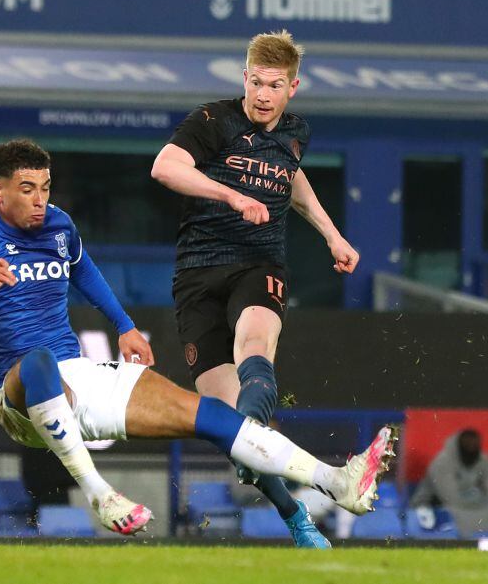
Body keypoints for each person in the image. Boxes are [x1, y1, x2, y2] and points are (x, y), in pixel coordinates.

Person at [0, 138, 393, 537]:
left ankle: (336, 481)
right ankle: (101, 495)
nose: (39, 200)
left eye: (45, 187)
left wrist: (124, 325)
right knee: (40, 360)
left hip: (79, 377)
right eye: (27, 190)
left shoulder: (58, 226)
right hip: (17, 394)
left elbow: (84, 272)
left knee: (207, 414)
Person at [150, 30, 359, 548]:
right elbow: (165, 167)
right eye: (257, 82)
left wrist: (332, 234)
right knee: (225, 418)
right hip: (197, 275)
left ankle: (252, 450)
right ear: (244, 78)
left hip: (258, 264)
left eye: (276, 85)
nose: (263, 95)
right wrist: (230, 195)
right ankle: (296, 516)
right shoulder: (213, 120)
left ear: (294, 87)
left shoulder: (295, 133)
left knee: (256, 349)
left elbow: (291, 178)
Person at [409, 429, 488, 537]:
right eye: (468, 444)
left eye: (474, 444)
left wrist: (481, 504)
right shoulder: (442, 461)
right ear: (459, 443)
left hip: (467, 504)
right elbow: (449, 496)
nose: (471, 447)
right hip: (433, 505)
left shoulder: (483, 460)